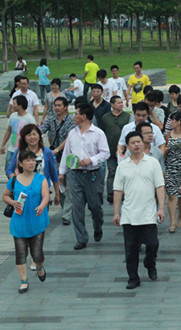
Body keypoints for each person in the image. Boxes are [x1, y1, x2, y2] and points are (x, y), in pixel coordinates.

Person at [113, 131, 166, 290]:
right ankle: (133, 277)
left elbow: (160, 186)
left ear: (143, 143)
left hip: (149, 213)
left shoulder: (152, 163)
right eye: (133, 143)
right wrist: (116, 212)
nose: (136, 145)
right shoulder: (123, 166)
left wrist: (161, 208)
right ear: (128, 146)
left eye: (138, 142)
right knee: (130, 249)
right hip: (129, 214)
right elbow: (117, 190)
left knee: (152, 244)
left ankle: (150, 263)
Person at [59, 103, 110, 251]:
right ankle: (81, 238)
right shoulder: (72, 134)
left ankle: (98, 226)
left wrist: (91, 160)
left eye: (76, 114)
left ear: (84, 116)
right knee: (77, 207)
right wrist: (62, 172)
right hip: (75, 174)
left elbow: (105, 153)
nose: (73, 117)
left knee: (95, 206)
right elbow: (67, 154)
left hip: (93, 174)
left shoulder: (98, 133)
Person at [3, 150, 49, 294]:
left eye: (33, 160)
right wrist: (12, 201)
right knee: (20, 252)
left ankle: (40, 267)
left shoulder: (41, 179)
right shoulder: (14, 180)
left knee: (37, 254)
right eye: (28, 161)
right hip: (19, 222)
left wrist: (42, 206)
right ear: (21, 164)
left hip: (36, 221)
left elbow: (46, 196)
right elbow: (5, 196)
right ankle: (24, 280)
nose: (31, 163)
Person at [6, 123, 60, 208]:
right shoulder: (19, 152)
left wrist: (57, 194)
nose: (32, 137)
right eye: (28, 135)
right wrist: (15, 180)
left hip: (42, 192)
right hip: (22, 192)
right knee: (22, 215)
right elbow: (9, 170)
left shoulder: (47, 152)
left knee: (40, 217)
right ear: (24, 138)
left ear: (39, 136)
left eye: (34, 134)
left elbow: (54, 174)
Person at [164, 112, 181, 232]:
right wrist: (166, 150)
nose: (170, 123)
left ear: (179, 122)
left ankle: (180, 215)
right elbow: (163, 149)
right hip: (170, 167)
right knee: (171, 195)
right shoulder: (168, 135)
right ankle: (172, 221)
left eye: (172, 120)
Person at [1, 96, 36, 172]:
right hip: (12, 148)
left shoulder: (29, 119)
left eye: (14, 104)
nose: (12, 106)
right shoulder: (13, 116)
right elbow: (8, 131)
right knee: (8, 169)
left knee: (21, 170)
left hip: (24, 149)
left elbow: (34, 135)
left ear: (20, 105)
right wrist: (3, 145)